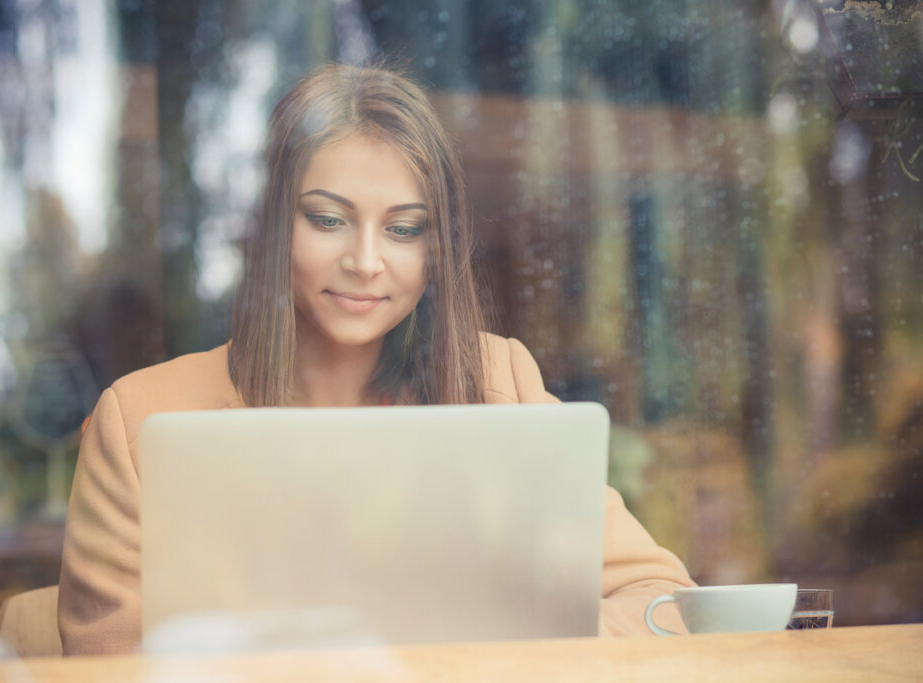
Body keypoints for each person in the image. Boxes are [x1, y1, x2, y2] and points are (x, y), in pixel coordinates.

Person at [57, 63, 695, 656]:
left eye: (403, 228)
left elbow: (663, 603)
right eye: (329, 220)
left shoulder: (497, 382)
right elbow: (109, 667)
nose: (366, 262)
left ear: (436, 246)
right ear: (273, 224)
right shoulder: (140, 420)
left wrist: (504, 650)